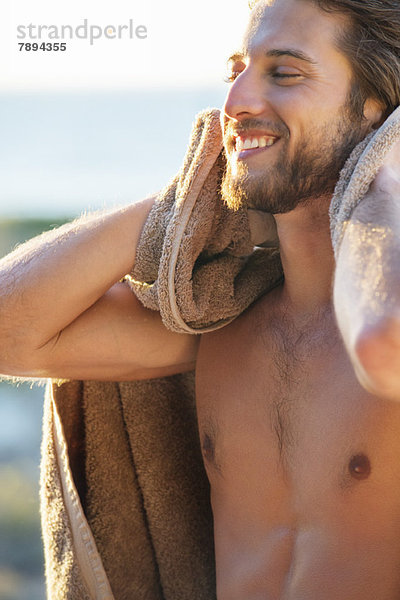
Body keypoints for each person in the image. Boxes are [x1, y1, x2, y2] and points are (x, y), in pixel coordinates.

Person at [1, 0, 400, 597]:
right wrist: (188, 209)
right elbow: (11, 331)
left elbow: (381, 346)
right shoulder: (222, 329)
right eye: (236, 70)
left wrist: (384, 184)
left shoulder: (383, 319)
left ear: (378, 113)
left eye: (283, 73)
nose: (235, 102)